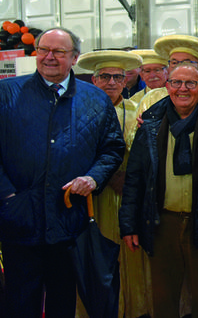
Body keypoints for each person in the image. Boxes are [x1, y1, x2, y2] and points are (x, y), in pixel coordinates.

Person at [0, 27, 125, 317]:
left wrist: (93, 177)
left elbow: (112, 149)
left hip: (69, 223)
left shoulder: (95, 99)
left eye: (58, 52)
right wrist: (7, 196)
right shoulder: (6, 93)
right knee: (19, 304)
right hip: (18, 222)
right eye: (43, 50)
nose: (49, 57)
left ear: (75, 58)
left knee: (62, 303)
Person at [119, 62, 198, 318]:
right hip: (161, 222)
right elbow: (135, 179)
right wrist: (129, 225)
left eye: (191, 83)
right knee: (163, 298)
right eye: (176, 82)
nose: (182, 89)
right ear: (167, 86)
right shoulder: (151, 122)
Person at [77, 49, 153, 318]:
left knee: (130, 255)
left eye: (117, 77)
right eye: (105, 76)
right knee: (96, 256)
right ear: (94, 80)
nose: (111, 82)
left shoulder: (137, 111)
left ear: (125, 80)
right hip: (93, 197)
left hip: (128, 195)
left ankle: (134, 310)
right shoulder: (79, 110)